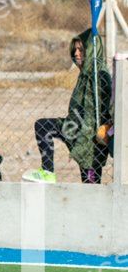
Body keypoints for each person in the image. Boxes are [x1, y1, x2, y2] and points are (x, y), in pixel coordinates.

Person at [24, 29, 111, 183]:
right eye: (75, 49)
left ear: (91, 51)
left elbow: (98, 114)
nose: (76, 54)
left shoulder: (100, 76)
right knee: (43, 126)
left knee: (90, 183)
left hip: (90, 140)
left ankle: (93, 193)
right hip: (74, 127)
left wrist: (81, 145)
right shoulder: (85, 73)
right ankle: (48, 172)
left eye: (81, 50)